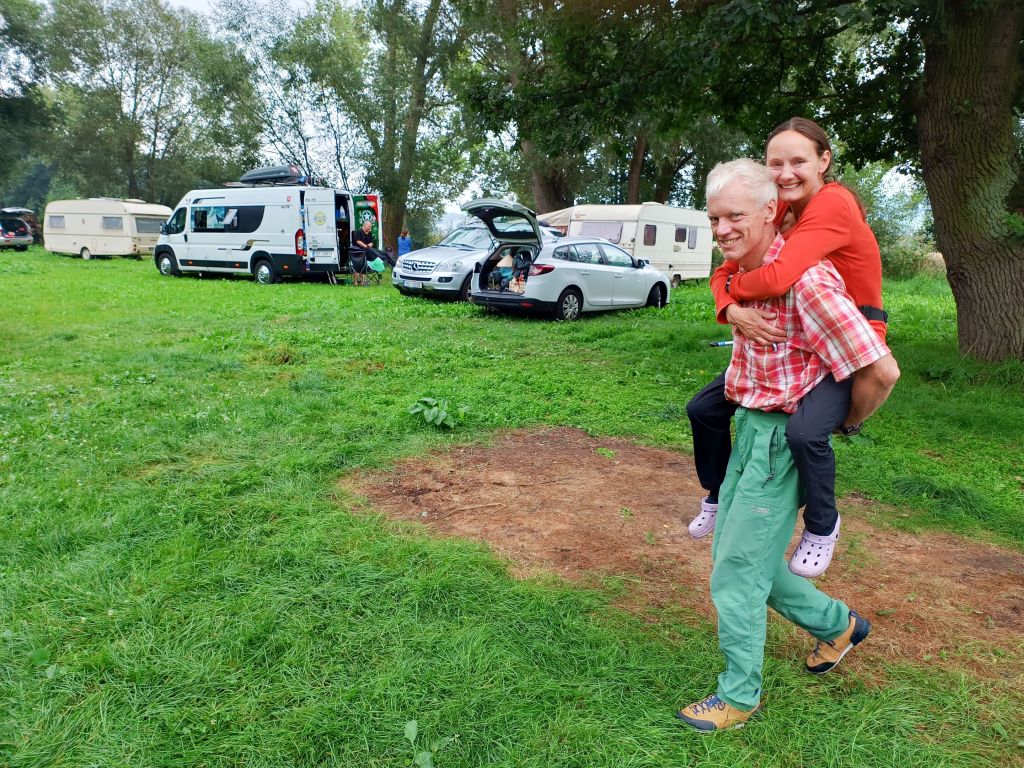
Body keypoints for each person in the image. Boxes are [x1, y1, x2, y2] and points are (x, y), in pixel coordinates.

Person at [677, 159, 891, 732]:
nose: (722, 229)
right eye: (714, 218)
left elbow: (880, 370)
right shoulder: (743, 276)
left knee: (735, 572)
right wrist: (731, 308)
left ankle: (738, 696)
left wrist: (842, 423)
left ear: (771, 211)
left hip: (778, 445)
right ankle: (839, 626)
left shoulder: (808, 282)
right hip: (747, 431)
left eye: (735, 216)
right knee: (752, 563)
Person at [686, 117, 900, 578]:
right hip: (799, 334)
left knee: (805, 433)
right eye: (775, 163)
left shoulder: (832, 203)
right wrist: (730, 308)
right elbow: (727, 269)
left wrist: (849, 418)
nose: (785, 173)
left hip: (848, 333)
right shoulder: (781, 205)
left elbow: (782, 275)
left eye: (798, 161)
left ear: (824, 161)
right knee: (703, 408)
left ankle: (823, 525)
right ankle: (717, 494)